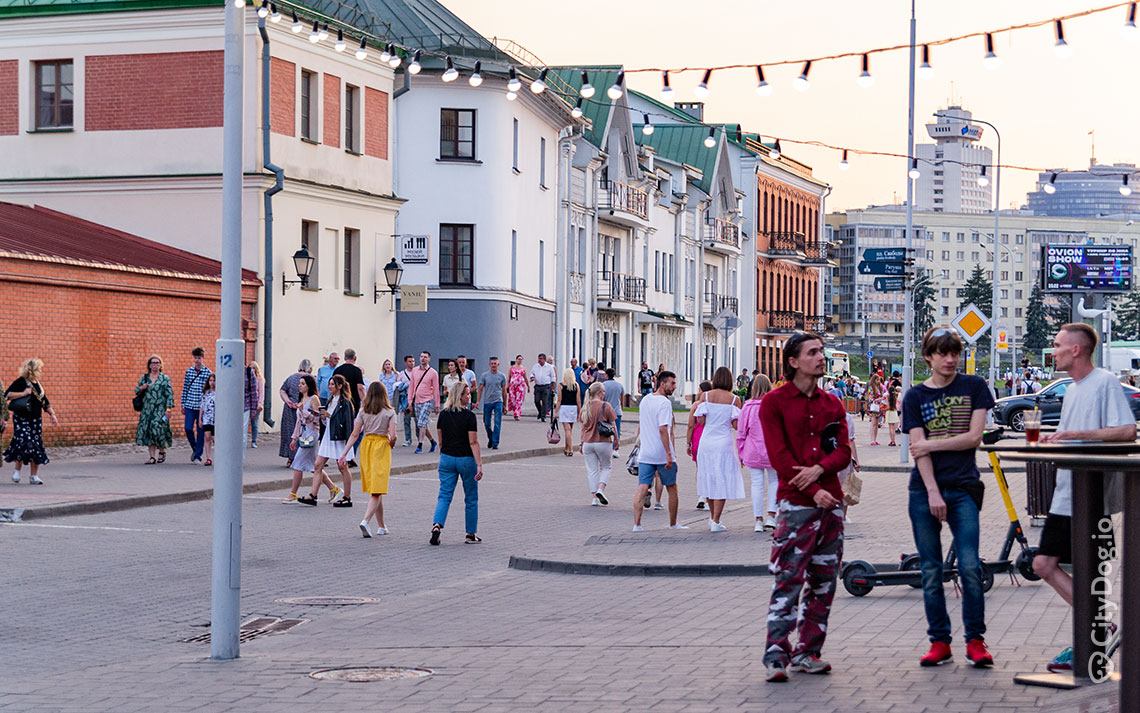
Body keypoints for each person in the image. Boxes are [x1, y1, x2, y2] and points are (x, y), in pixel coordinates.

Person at [1034, 323, 1135, 674]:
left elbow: (1126, 430)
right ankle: (1094, 632)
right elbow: (1073, 435)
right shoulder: (1073, 389)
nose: (1054, 349)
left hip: (1090, 495)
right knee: (1053, 565)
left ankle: (1097, 629)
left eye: (1059, 344)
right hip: (1067, 491)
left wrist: (1074, 434)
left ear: (1076, 350)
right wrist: (1054, 439)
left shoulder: (1103, 381)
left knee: (1048, 565)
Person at [903, 327, 996, 669]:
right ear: (928, 357)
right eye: (942, 353)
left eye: (954, 352)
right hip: (924, 490)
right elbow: (917, 450)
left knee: (970, 566)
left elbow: (974, 438)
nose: (950, 359)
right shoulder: (914, 396)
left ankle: (976, 640)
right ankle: (939, 641)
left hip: (963, 488)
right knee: (930, 571)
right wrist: (932, 492)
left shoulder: (974, 387)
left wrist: (931, 443)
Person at [760, 332, 849, 682]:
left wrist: (821, 470)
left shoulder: (832, 404)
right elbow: (779, 457)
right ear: (793, 361)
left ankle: (808, 652)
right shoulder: (774, 402)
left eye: (822, 352)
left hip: (832, 508)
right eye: (813, 352)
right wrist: (813, 489)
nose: (821, 357)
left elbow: (842, 451)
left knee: (824, 582)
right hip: (797, 506)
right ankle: (776, 656)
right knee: (788, 579)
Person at [632, 371, 688, 532]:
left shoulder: (646, 400)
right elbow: (663, 428)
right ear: (662, 384)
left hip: (646, 453)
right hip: (662, 454)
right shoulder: (664, 403)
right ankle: (673, 523)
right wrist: (669, 453)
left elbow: (641, 425)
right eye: (672, 383)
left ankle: (637, 524)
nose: (674, 387)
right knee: (671, 487)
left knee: (642, 487)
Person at [340, 382, 397, 537]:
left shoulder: (363, 410)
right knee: (377, 490)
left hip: (367, 446)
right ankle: (365, 520)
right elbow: (393, 436)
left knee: (376, 489)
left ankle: (381, 526)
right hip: (381, 446)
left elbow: (354, 434)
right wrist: (392, 443)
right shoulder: (390, 412)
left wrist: (344, 453)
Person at [430, 382, 484, 545]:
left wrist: (445, 452)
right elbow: (473, 442)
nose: (469, 396)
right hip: (466, 459)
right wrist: (479, 464)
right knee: (471, 497)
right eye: (467, 394)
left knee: (444, 495)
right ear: (459, 396)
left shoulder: (444, 414)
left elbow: (440, 439)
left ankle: (437, 525)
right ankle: (470, 534)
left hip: (447, 457)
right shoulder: (469, 416)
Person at [694, 366, 744, 531]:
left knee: (708, 477)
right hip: (723, 442)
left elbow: (700, 421)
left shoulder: (705, 396)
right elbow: (736, 425)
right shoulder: (734, 399)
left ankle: (711, 518)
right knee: (721, 479)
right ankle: (716, 520)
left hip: (707, 441)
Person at [299, 374, 354, 507]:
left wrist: (328, 415)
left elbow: (347, 422)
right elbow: (327, 420)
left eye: (332, 384)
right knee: (318, 465)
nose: (330, 386)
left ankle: (347, 497)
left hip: (339, 438)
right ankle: (313, 495)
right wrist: (322, 416)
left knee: (343, 467)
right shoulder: (330, 400)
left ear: (340, 386)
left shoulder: (345, 402)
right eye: (329, 384)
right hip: (328, 436)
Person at [4, 358, 59, 485]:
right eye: (39, 368)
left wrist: (52, 414)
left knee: (36, 445)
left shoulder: (38, 385)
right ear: (32, 370)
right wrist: (23, 393)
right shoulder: (21, 382)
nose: (40, 371)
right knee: (24, 443)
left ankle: (34, 476)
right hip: (21, 418)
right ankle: (17, 471)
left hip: (35, 420)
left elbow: (45, 402)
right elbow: (7, 395)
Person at [737, 373, 778, 532]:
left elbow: (741, 433)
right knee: (774, 482)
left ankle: (758, 520)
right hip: (773, 451)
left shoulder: (747, 407)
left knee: (757, 484)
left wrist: (741, 454)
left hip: (752, 451)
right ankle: (771, 516)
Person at [283, 375, 332, 504]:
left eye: (303, 383)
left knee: (298, 463)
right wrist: (294, 437)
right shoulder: (301, 399)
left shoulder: (314, 399)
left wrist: (304, 412)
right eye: (299, 383)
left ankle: (293, 493)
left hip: (312, 433)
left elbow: (317, 418)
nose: (300, 385)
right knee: (314, 467)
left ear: (309, 386)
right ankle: (334, 489)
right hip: (304, 434)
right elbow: (298, 422)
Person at [579, 382, 616, 505]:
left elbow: (583, 427)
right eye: (604, 391)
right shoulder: (606, 406)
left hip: (587, 443)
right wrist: (616, 440)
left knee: (592, 470)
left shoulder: (585, 407)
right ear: (599, 393)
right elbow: (613, 424)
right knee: (606, 467)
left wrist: (581, 443)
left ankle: (594, 498)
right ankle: (601, 489)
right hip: (603, 442)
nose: (604, 394)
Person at [135, 355, 174, 464]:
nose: (155, 365)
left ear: (160, 365)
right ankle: (152, 457)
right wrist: (141, 388)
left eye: (157, 363)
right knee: (148, 431)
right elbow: (136, 391)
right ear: (149, 365)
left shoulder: (165, 378)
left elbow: (169, 395)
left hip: (161, 409)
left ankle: (161, 450)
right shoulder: (144, 377)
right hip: (147, 409)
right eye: (153, 363)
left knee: (157, 428)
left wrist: (169, 410)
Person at [180, 347, 212, 463]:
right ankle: (195, 448)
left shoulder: (208, 373)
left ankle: (198, 455)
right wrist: (183, 404)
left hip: (201, 406)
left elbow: (208, 391)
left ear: (203, 358)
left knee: (200, 431)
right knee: (188, 428)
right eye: (195, 358)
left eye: (199, 358)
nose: (197, 360)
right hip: (189, 404)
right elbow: (185, 388)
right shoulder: (189, 371)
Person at [278, 359, 312, 466]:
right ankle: (303, 457)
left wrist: (288, 401)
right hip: (304, 409)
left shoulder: (291, 378)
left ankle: (290, 458)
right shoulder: (310, 379)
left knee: (290, 432)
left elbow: (282, 390)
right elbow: (314, 393)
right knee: (304, 433)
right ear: (309, 368)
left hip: (290, 408)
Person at [686, 381, 713, 511]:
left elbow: (691, 425)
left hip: (698, 438)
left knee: (700, 469)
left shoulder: (696, 405)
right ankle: (708, 498)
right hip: (711, 438)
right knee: (710, 469)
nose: (698, 392)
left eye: (699, 389)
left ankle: (701, 496)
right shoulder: (714, 405)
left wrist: (688, 442)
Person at [409, 351, 440, 454]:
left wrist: (437, 405)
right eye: (421, 356)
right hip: (417, 400)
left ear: (429, 359)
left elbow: (436, 389)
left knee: (422, 423)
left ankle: (420, 445)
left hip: (427, 400)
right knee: (421, 424)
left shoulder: (433, 373)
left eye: (425, 357)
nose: (423, 359)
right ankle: (432, 441)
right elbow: (411, 387)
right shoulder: (414, 370)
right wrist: (410, 402)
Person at [476, 357, 508, 450]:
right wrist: (478, 401)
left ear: (498, 364)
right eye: (492, 363)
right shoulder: (484, 375)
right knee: (486, 423)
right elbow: (481, 389)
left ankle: (495, 443)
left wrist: (505, 405)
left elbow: (504, 391)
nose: (494, 365)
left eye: (495, 363)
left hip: (498, 401)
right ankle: (491, 438)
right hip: (488, 401)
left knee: (497, 423)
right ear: (489, 364)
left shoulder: (502, 376)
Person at [554, 368, 582, 457]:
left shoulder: (561, 385)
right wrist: (579, 412)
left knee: (567, 430)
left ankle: (570, 449)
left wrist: (555, 412)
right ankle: (566, 448)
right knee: (570, 430)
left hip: (564, 408)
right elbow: (578, 400)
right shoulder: (576, 385)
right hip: (573, 408)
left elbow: (559, 400)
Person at [601, 367, 625, 457]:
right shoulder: (619, 385)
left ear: (607, 375)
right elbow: (622, 400)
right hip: (617, 411)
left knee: (604, 429)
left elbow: (601, 398)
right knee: (616, 430)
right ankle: (616, 449)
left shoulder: (603, 385)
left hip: (605, 411)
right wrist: (621, 408)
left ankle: (605, 449)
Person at [397, 355, 417, 446]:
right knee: (407, 419)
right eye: (409, 361)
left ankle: (418, 437)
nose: (411, 363)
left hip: (416, 398)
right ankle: (408, 439)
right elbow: (398, 386)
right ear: (405, 362)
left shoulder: (417, 372)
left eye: (413, 361)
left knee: (418, 420)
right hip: (406, 399)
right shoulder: (402, 374)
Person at [530, 353, 557, 421]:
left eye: (541, 359)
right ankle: (540, 411)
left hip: (546, 386)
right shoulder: (535, 366)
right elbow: (532, 373)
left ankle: (543, 416)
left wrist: (553, 385)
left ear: (544, 360)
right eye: (538, 359)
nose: (539, 360)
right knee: (536, 400)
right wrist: (532, 377)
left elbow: (553, 376)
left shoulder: (549, 367)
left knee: (545, 401)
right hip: (538, 386)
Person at [199, 373, 216, 466]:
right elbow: (201, 406)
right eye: (210, 380)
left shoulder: (219, 392)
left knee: (215, 438)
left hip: (215, 418)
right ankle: (208, 458)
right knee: (207, 437)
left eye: (214, 380)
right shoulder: (205, 392)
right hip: (207, 417)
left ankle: (219, 456)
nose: (212, 383)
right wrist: (200, 418)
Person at [247, 361, 265, 448]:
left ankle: (254, 440)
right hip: (247, 402)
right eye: (251, 368)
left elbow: (261, 392)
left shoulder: (259, 379)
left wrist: (260, 404)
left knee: (254, 423)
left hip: (255, 403)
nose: (252, 370)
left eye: (254, 368)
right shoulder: (247, 378)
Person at [507, 355, 529, 421]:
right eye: (519, 359)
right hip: (512, 385)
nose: (520, 360)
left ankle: (517, 414)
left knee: (519, 400)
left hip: (521, 386)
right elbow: (508, 377)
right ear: (516, 359)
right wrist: (507, 385)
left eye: (521, 359)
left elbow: (525, 377)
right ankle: (515, 412)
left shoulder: (523, 368)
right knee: (513, 400)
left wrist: (528, 386)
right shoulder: (511, 368)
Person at [866, 373, 885, 445]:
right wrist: (878, 399)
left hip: (878, 406)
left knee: (876, 423)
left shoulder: (879, 387)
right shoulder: (871, 388)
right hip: (873, 406)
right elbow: (871, 398)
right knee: (873, 423)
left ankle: (875, 439)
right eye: (877, 380)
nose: (878, 381)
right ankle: (872, 439)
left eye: (879, 380)